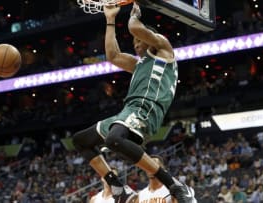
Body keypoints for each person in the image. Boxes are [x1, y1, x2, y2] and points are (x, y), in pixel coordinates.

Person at [72, 3, 195, 203]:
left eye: (139, 40)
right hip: (129, 110)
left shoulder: (164, 50)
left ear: (150, 38)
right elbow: (113, 56)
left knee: (113, 139)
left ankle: (174, 184)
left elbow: (135, 28)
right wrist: (110, 20)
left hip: (147, 108)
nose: (136, 43)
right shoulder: (139, 64)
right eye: (134, 42)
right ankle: (118, 188)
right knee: (80, 140)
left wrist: (135, 12)